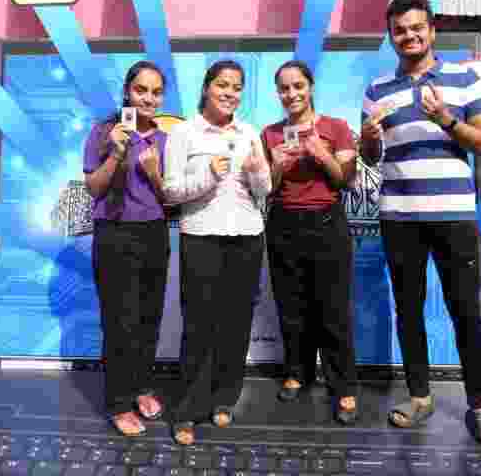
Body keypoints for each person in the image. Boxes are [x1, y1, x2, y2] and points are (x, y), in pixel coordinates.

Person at [359, 0, 481, 446]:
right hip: (399, 216)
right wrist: (367, 139)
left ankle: (479, 406)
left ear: (432, 30)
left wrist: (445, 119)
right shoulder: (377, 89)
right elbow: (371, 157)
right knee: (408, 310)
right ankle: (419, 396)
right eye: (400, 30)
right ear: (391, 36)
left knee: (466, 312)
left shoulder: (466, 78)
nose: (409, 36)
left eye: (416, 27)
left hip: (454, 217)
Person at [163, 60, 272, 445]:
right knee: (199, 326)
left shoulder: (250, 133)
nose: (229, 93)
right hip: (202, 237)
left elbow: (263, 191)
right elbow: (171, 192)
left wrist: (259, 173)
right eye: (222, 85)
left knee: (236, 324)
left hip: (246, 236)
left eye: (236, 87)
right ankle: (187, 410)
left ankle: (224, 398)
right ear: (207, 88)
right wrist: (208, 172)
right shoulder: (183, 133)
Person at [260, 60, 359, 424]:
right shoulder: (270, 134)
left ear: (311, 86)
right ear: (278, 94)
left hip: (327, 222)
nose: (292, 94)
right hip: (284, 223)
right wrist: (277, 167)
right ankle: (297, 372)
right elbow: (266, 189)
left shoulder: (336, 128)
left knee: (333, 310)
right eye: (285, 89)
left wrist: (323, 155)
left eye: (298, 86)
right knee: (292, 307)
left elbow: (345, 180)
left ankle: (344, 385)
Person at [82, 61, 170, 437]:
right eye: (141, 90)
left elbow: (172, 198)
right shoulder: (104, 132)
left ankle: (142, 386)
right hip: (114, 235)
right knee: (120, 322)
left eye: (154, 92)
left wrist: (154, 173)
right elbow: (94, 189)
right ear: (127, 92)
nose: (148, 98)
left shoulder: (167, 140)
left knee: (148, 318)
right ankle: (118, 403)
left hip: (154, 234)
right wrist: (117, 152)